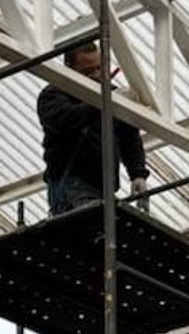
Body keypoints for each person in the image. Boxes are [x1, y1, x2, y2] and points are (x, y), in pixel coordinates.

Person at [37, 40, 147, 213]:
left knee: (105, 230)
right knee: (95, 227)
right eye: (88, 72)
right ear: (70, 68)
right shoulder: (54, 95)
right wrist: (107, 102)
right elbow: (65, 120)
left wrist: (138, 174)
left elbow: (129, 137)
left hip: (104, 188)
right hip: (73, 185)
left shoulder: (111, 94)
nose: (96, 75)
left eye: (99, 68)